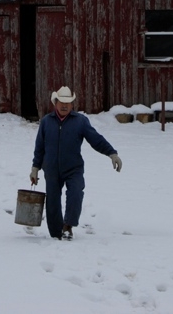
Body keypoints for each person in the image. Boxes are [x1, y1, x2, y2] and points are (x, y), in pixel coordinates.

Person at [30, 86, 122, 240]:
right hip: (51, 168)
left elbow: (96, 139)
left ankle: (68, 226)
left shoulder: (80, 121)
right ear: (55, 103)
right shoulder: (46, 122)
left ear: (72, 104)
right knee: (52, 201)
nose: (64, 105)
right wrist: (35, 168)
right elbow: (39, 147)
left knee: (76, 194)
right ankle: (55, 234)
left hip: (73, 168)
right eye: (61, 102)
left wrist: (112, 153)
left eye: (68, 102)